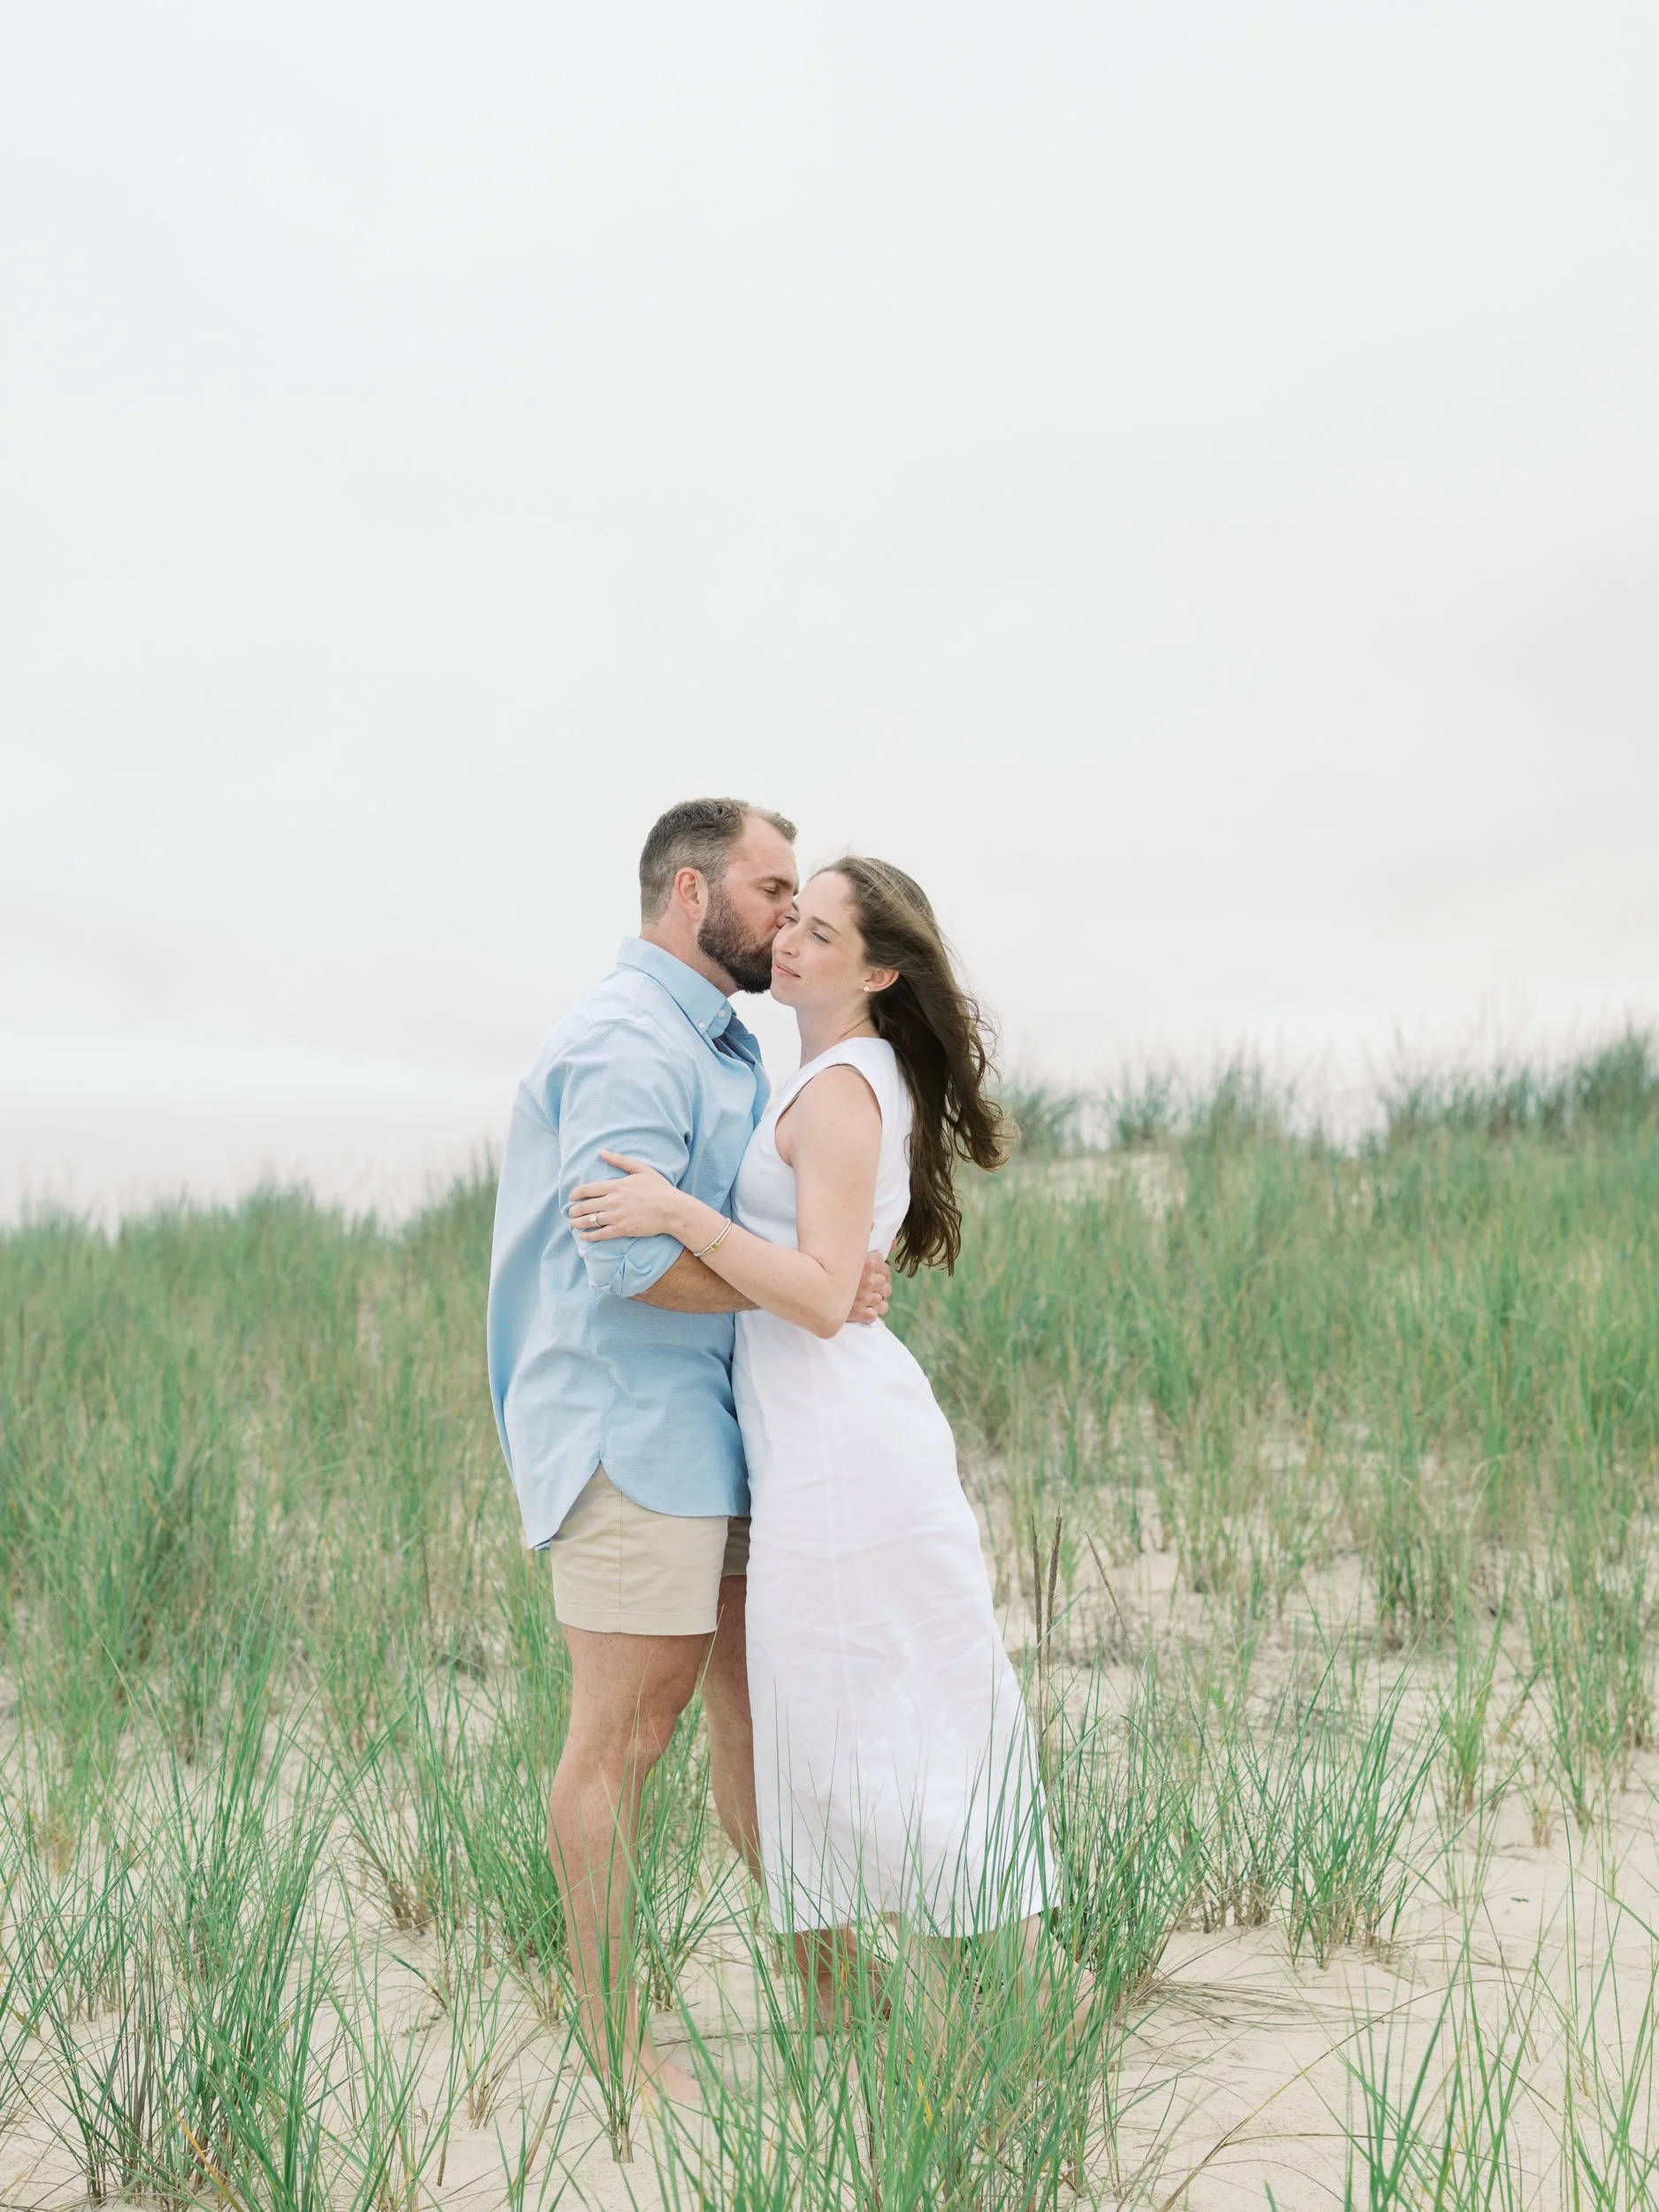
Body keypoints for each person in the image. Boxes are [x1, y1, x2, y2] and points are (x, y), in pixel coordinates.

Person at [571, 856, 1050, 2019]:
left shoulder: (841, 1084)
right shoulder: (840, 1074)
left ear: (878, 969)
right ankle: (909, 1985)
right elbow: (832, 1275)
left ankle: (979, 1994)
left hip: (843, 1446)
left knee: (884, 1700)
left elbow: (826, 1295)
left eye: (821, 933)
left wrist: (679, 1211)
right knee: (850, 1703)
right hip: (810, 1436)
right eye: (792, 917)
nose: (788, 940)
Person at [487, 799, 893, 2107]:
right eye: (773, 890)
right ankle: (609, 2040)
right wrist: (805, 1289)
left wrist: (817, 1274)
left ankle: (836, 1985)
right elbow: (630, 1263)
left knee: (757, 1727)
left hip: (715, 1440)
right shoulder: (623, 1040)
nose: (788, 918)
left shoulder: (715, 1045)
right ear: (686, 894)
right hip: (624, 1437)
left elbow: (722, 1233)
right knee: (619, 1743)